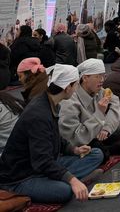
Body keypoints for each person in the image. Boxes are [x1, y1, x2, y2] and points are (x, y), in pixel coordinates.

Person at [0, 64, 104, 204]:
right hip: (21, 176)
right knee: (64, 191)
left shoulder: (50, 102)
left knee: (96, 154)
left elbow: (54, 136)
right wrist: (72, 180)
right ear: (67, 87)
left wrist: (73, 149)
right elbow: (41, 161)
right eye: (75, 85)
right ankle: (68, 181)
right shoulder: (39, 114)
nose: (76, 89)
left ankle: (60, 180)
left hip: (44, 163)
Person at [59, 59, 120, 159]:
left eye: (104, 76)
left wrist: (106, 128)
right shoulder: (70, 100)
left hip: (97, 133)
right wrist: (99, 113)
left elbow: (114, 102)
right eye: (98, 76)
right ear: (85, 78)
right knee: (99, 152)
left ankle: (105, 150)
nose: (102, 80)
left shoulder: (99, 90)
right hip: (81, 142)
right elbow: (74, 138)